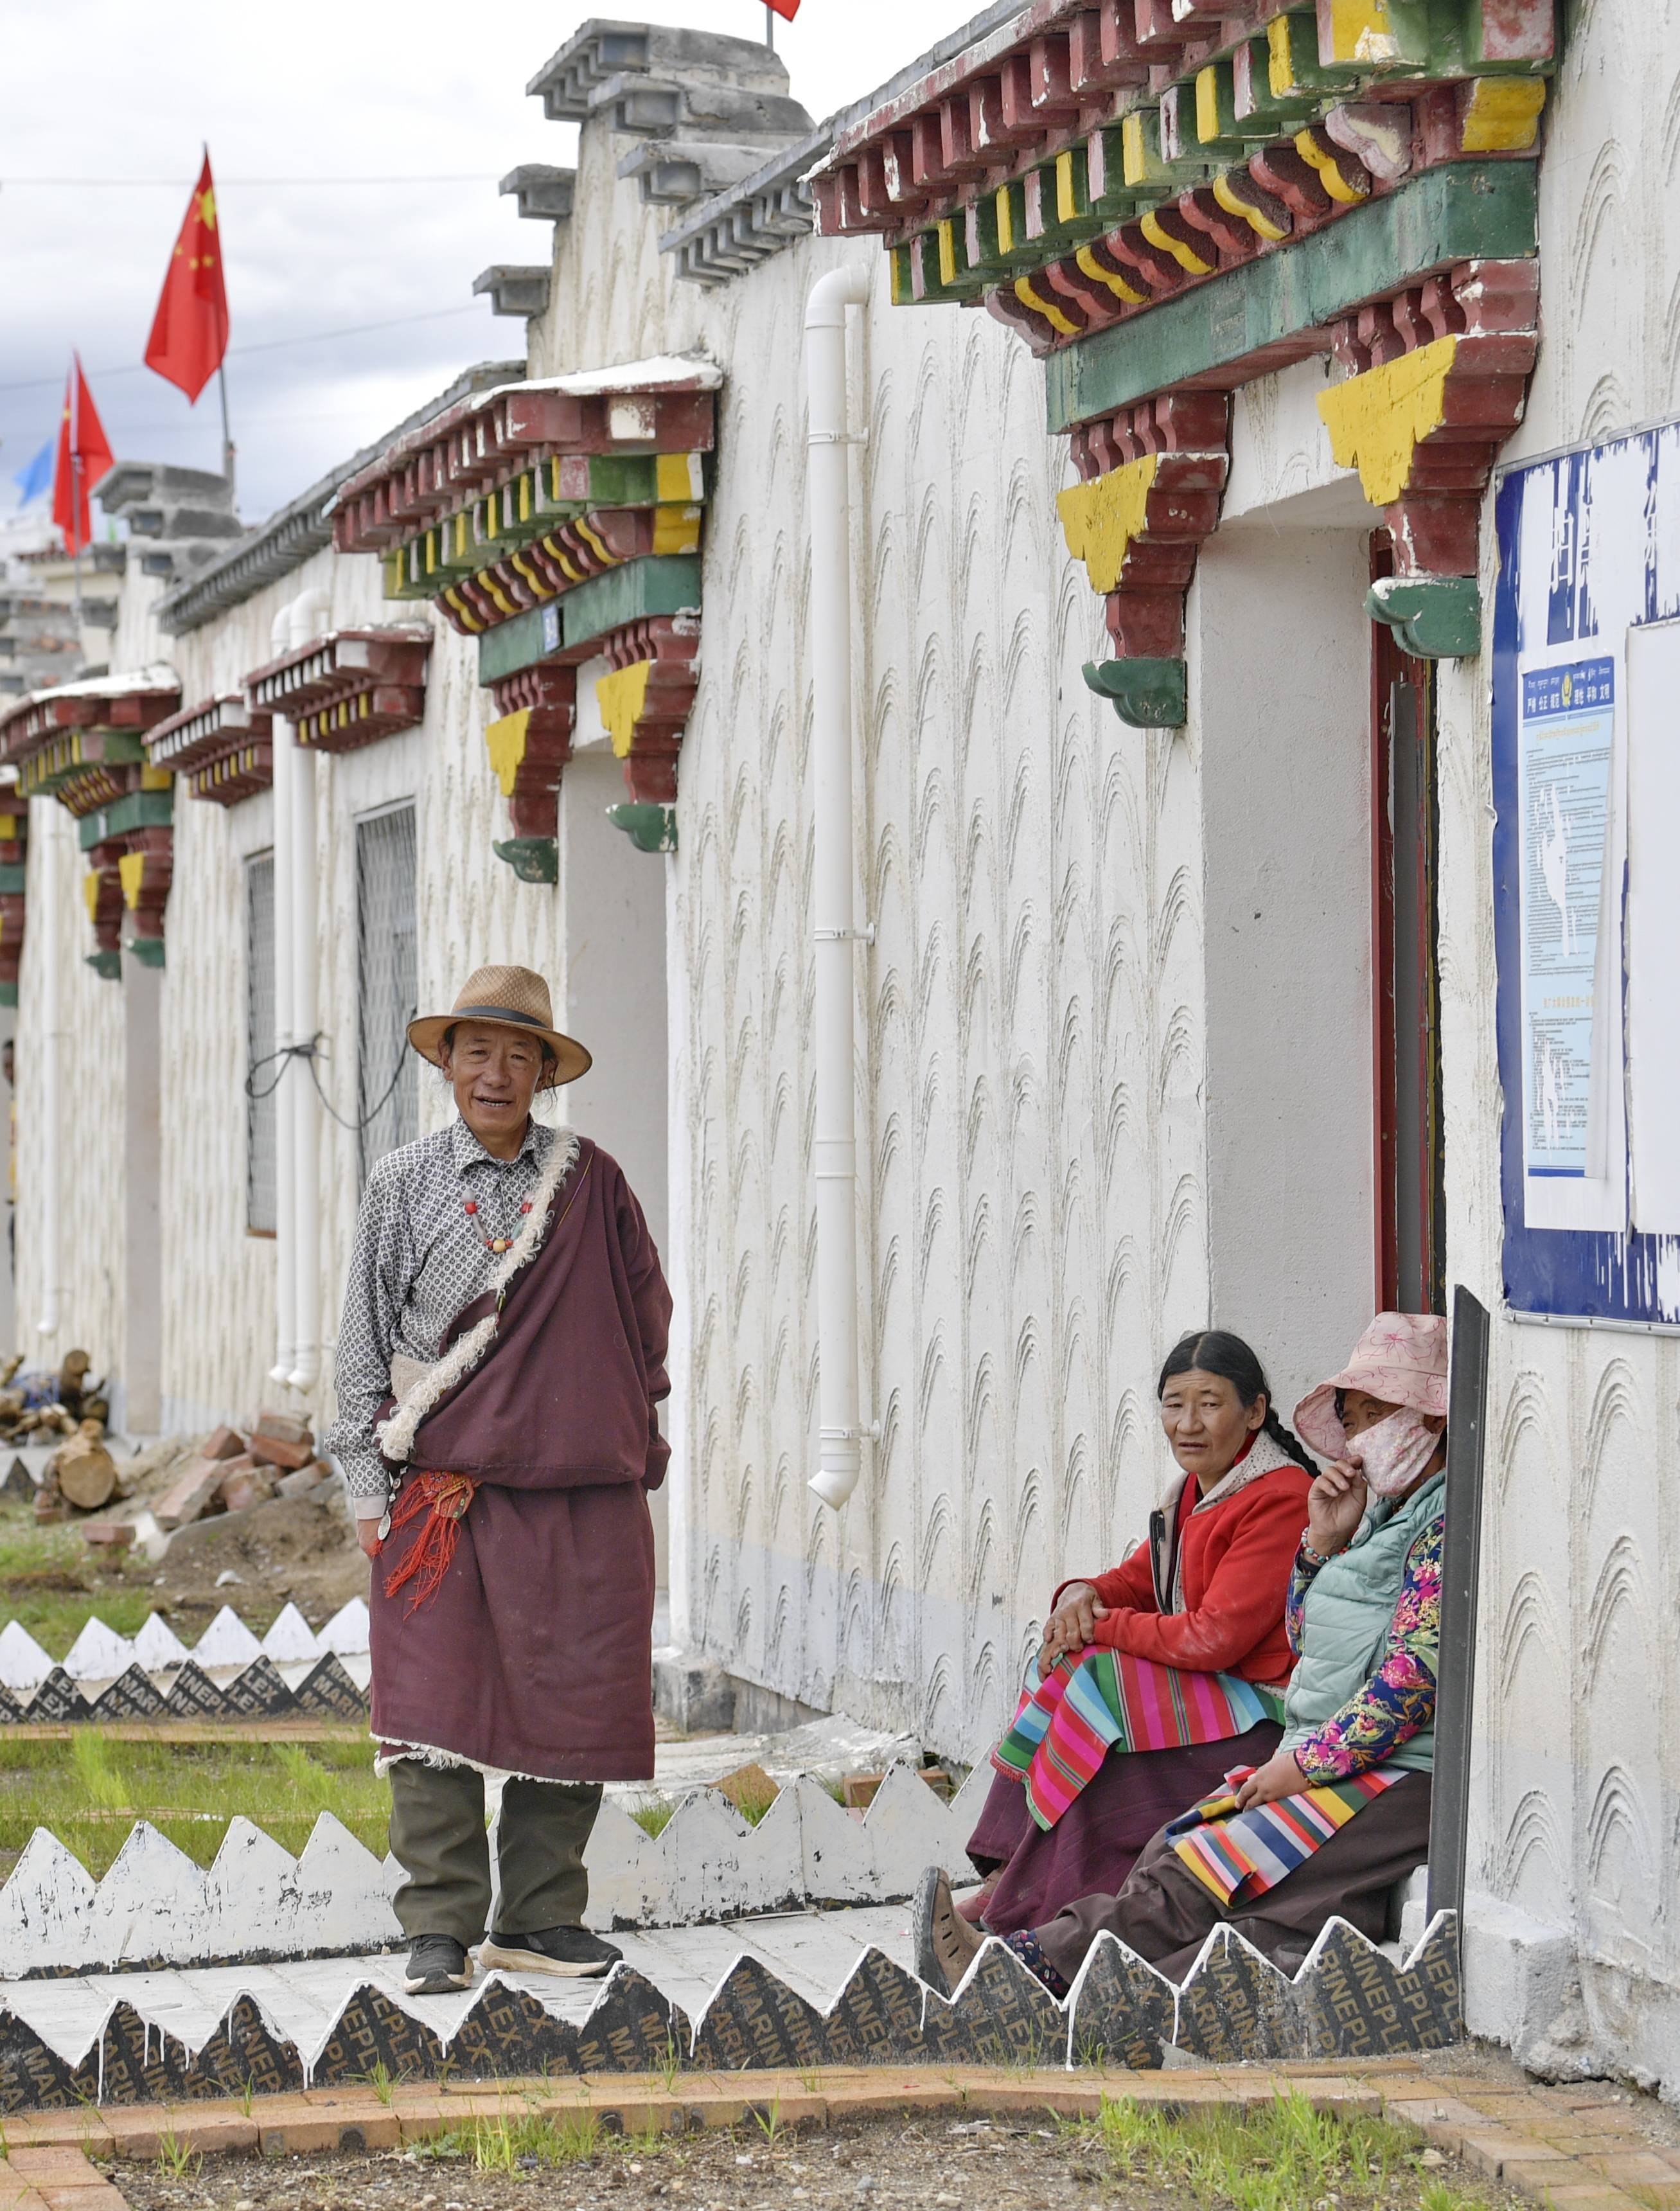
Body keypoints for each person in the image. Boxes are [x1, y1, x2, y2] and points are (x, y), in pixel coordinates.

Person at [916, 1312, 1447, 1996]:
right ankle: (1051, 1960)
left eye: (1381, 1414)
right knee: (1176, 1851)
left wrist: (1304, 1765)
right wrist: (1320, 1548)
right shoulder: (1374, 1516)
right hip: (1329, 1748)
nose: (1363, 1435)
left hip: (1386, 1765)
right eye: (1355, 1419)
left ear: (1431, 1420)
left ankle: (1030, 1972)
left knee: (1203, 1865)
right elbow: (1307, 1638)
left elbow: (1409, 1680)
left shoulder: (1433, 1525)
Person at [327, 964, 671, 1998]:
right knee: (431, 1706)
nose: (497, 1072)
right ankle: (438, 1927)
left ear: (543, 1073)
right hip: (442, 1498)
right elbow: (360, 1343)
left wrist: (624, 1432)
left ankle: (539, 1919)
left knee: (574, 1698)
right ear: (445, 1061)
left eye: (520, 1054)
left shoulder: (591, 1182)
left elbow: (643, 1320)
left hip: (578, 1494)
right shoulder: (401, 1182)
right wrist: (365, 1489)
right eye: (477, 1050)